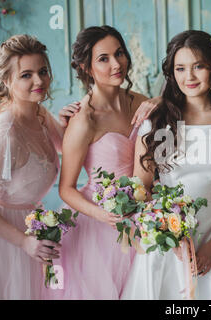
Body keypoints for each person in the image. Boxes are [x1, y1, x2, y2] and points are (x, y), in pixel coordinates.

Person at [121, 30, 211, 300]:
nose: (189, 77)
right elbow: (140, 185)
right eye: (180, 68)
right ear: (172, 72)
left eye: (198, 66)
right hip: (165, 237)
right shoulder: (156, 121)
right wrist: (165, 231)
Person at [47, 25, 148, 299]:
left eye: (120, 53)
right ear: (86, 68)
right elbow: (65, 188)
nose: (116, 64)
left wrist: (161, 100)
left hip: (143, 215)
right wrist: (104, 215)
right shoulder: (83, 119)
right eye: (103, 58)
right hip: (101, 224)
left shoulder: (142, 102)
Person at [0, 34, 75, 299]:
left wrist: (68, 123)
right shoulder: (5, 133)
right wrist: (23, 241)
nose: (39, 81)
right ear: (7, 81)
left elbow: (66, 148)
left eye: (43, 71)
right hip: (3, 237)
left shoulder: (39, 113)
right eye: (26, 75)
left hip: (32, 229)